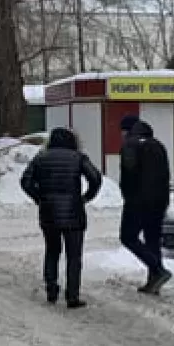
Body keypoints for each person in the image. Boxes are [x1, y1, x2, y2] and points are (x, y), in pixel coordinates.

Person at [20, 127, 103, 308]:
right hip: (74, 213)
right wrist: (86, 197)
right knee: (74, 256)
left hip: (48, 212)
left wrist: (39, 197)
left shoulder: (41, 157)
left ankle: (51, 290)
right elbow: (96, 178)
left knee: (52, 251)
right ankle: (72, 296)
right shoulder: (78, 157)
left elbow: (25, 181)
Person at [118, 115, 174, 295]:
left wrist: (127, 195)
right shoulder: (158, 145)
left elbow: (128, 174)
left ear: (127, 130)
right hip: (159, 200)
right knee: (152, 239)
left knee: (128, 237)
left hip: (137, 201)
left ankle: (157, 269)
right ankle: (154, 280)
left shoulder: (130, 145)